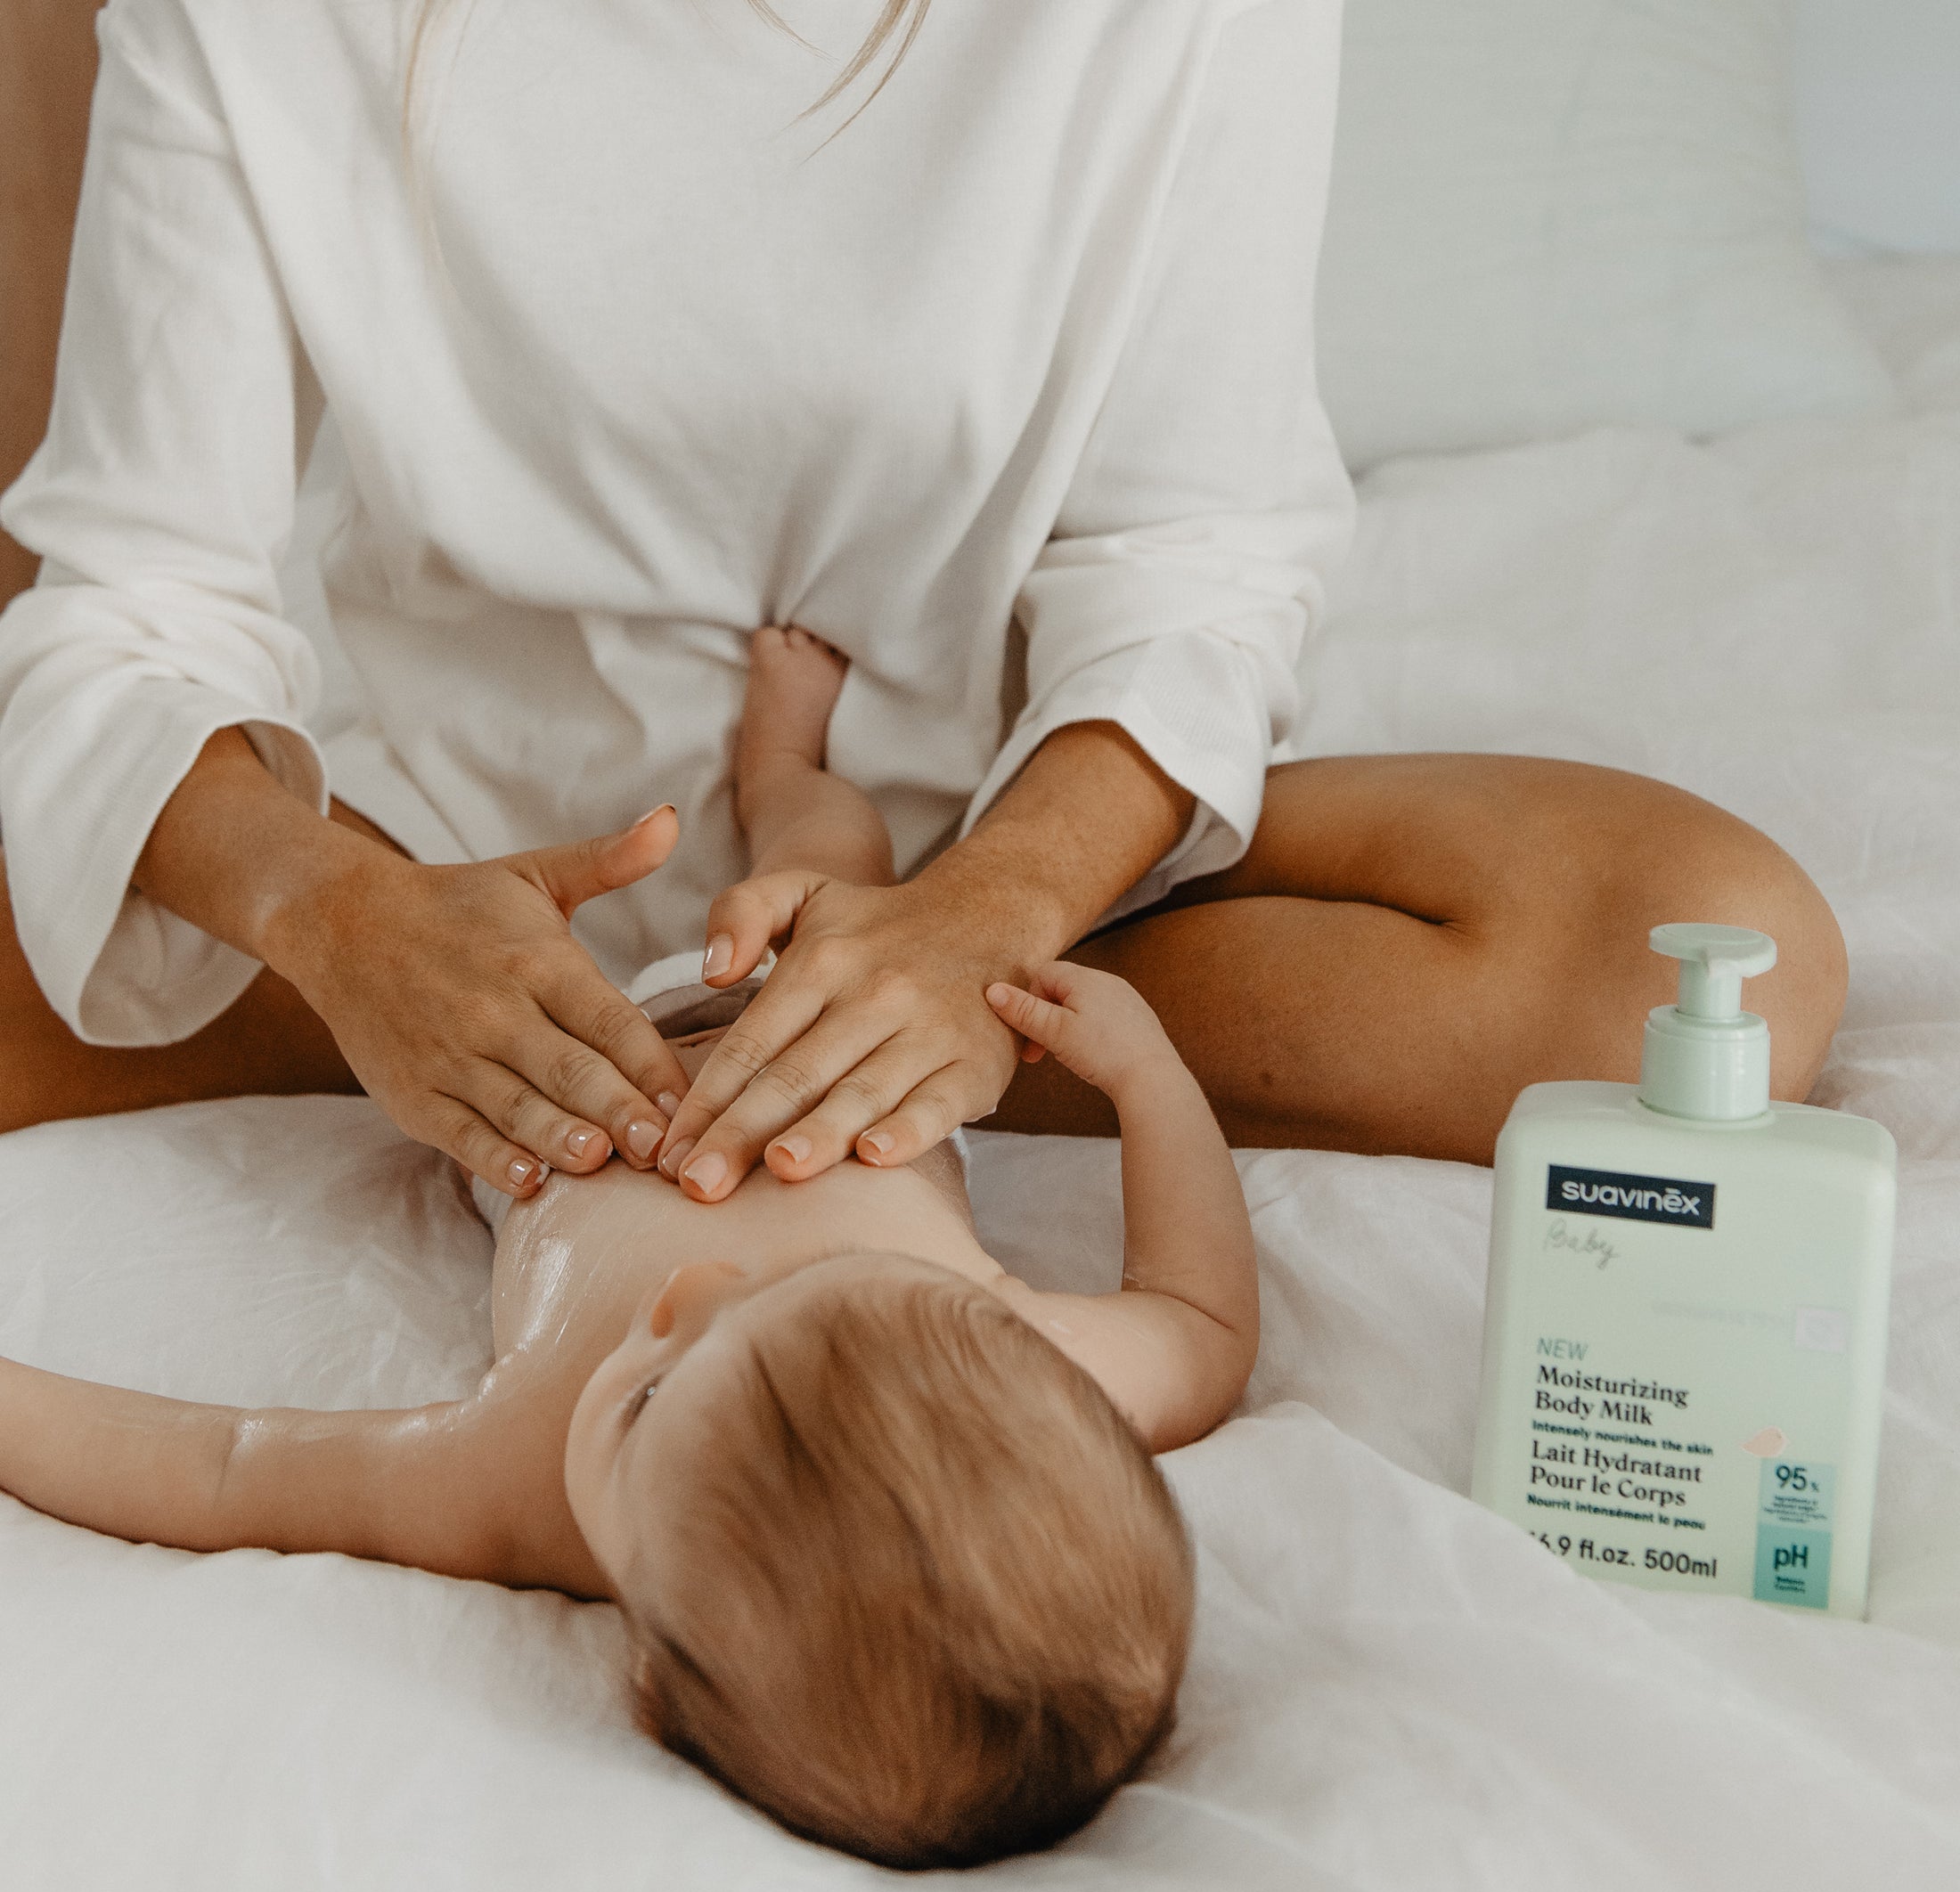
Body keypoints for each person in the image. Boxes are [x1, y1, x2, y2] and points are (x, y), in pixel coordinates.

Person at [0, 0, 1846, 1204]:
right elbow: (136, 592)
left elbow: (1187, 556)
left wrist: (980, 926)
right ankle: (657, 1054)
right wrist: (339, 921)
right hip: (441, 861)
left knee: (1689, 954)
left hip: (1006, 861)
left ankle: (824, 1051)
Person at [0, 627, 1256, 1869]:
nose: (687, 1298)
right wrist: (1147, 1078)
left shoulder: (519, 1489)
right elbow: (1200, 1316)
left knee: (440, 967)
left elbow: (227, 1468)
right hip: (816, 1006)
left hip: (546, 1076)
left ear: (649, 1665)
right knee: (831, 854)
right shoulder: (1040, 1374)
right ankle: (783, 756)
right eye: (821, 1291)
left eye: (650, 1399)